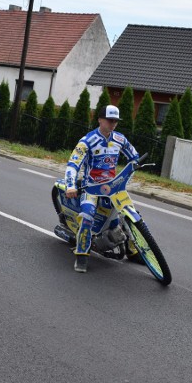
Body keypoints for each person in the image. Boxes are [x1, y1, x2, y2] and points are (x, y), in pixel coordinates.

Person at [64, 105, 139, 273]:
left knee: (130, 213)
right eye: (109, 120)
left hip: (113, 187)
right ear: (100, 119)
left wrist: (131, 172)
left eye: (115, 121)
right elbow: (73, 165)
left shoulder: (120, 139)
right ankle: (82, 255)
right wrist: (70, 185)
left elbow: (135, 157)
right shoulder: (87, 141)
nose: (112, 124)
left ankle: (134, 250)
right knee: (87, 216)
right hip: (91, 188)